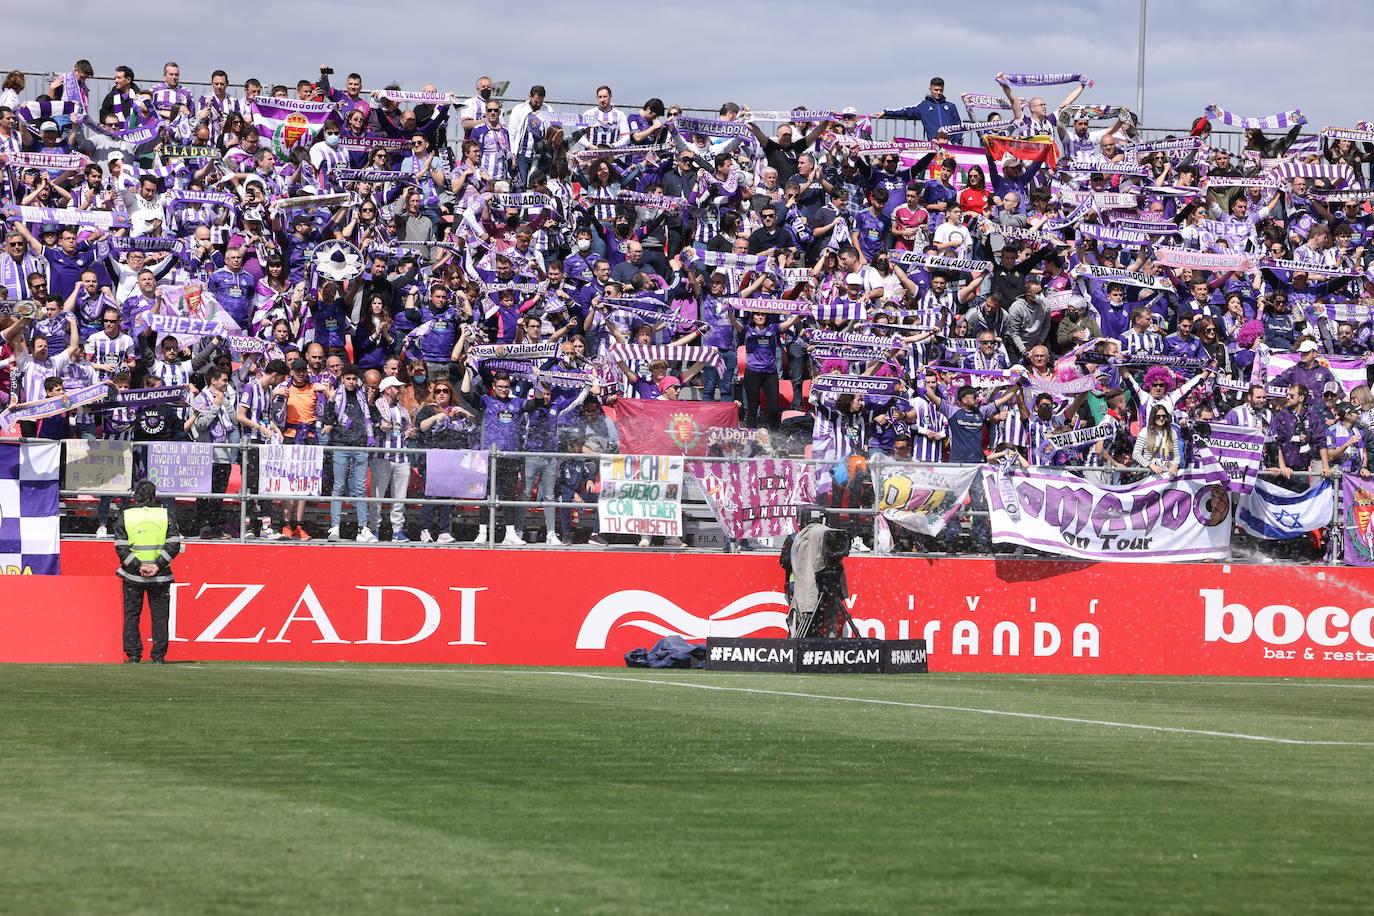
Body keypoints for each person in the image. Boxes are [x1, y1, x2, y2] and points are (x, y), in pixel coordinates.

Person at [113, 479, 182, 665]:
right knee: (160, 616)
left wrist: (138, 566)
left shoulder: (126, 516)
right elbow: (174, 544)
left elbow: (120, 547)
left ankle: (134, 655)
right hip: (160, 575)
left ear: (135, 497)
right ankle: (158, 656)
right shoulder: (165, 515)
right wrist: (158, 565)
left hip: (132, 575)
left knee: (132, 615)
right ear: (154, 496)